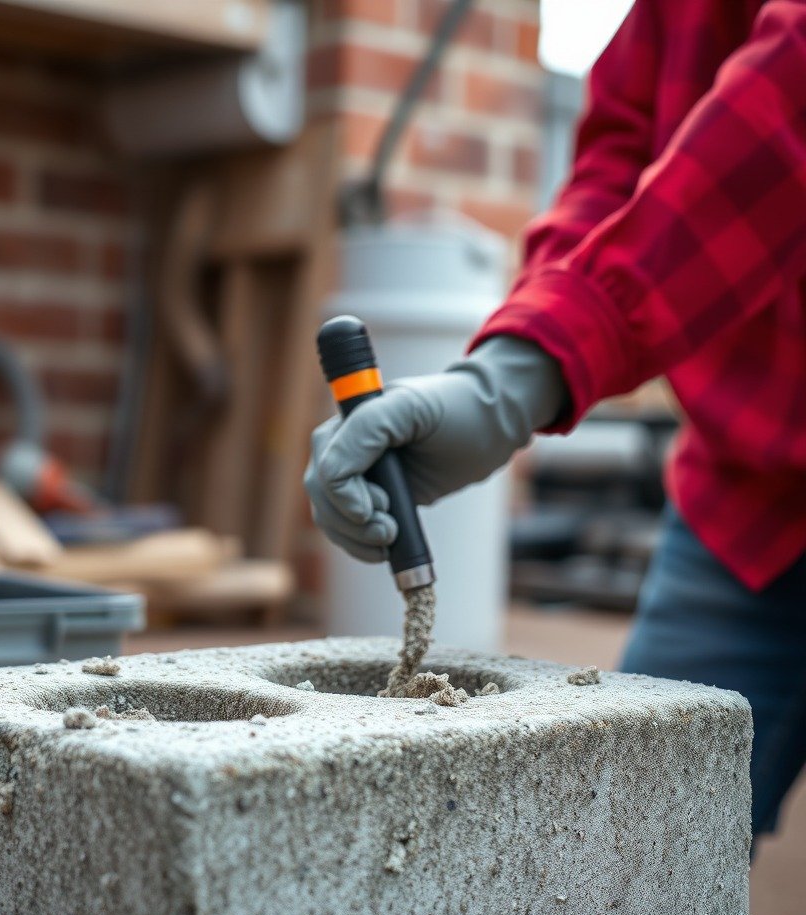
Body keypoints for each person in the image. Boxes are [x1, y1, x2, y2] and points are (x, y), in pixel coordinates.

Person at [303, 0, 806, 843]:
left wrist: (526, 378)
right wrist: (505, 368)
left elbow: (782, 112)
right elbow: (617, 164)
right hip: (742, 500)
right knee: (622, 857)